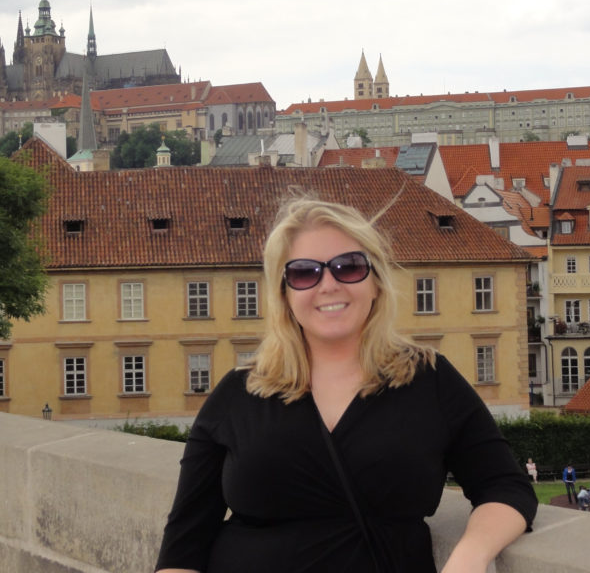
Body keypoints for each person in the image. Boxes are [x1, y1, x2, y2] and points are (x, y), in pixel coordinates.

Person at [155, 197, 537, 573]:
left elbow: (506, 487)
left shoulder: (428, 379)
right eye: (305, 272)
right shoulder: (240, 393)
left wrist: (469, 557)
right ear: (284, 294)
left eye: (349, 267)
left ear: (376, 284)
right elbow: (183, 546)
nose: (328, 285)